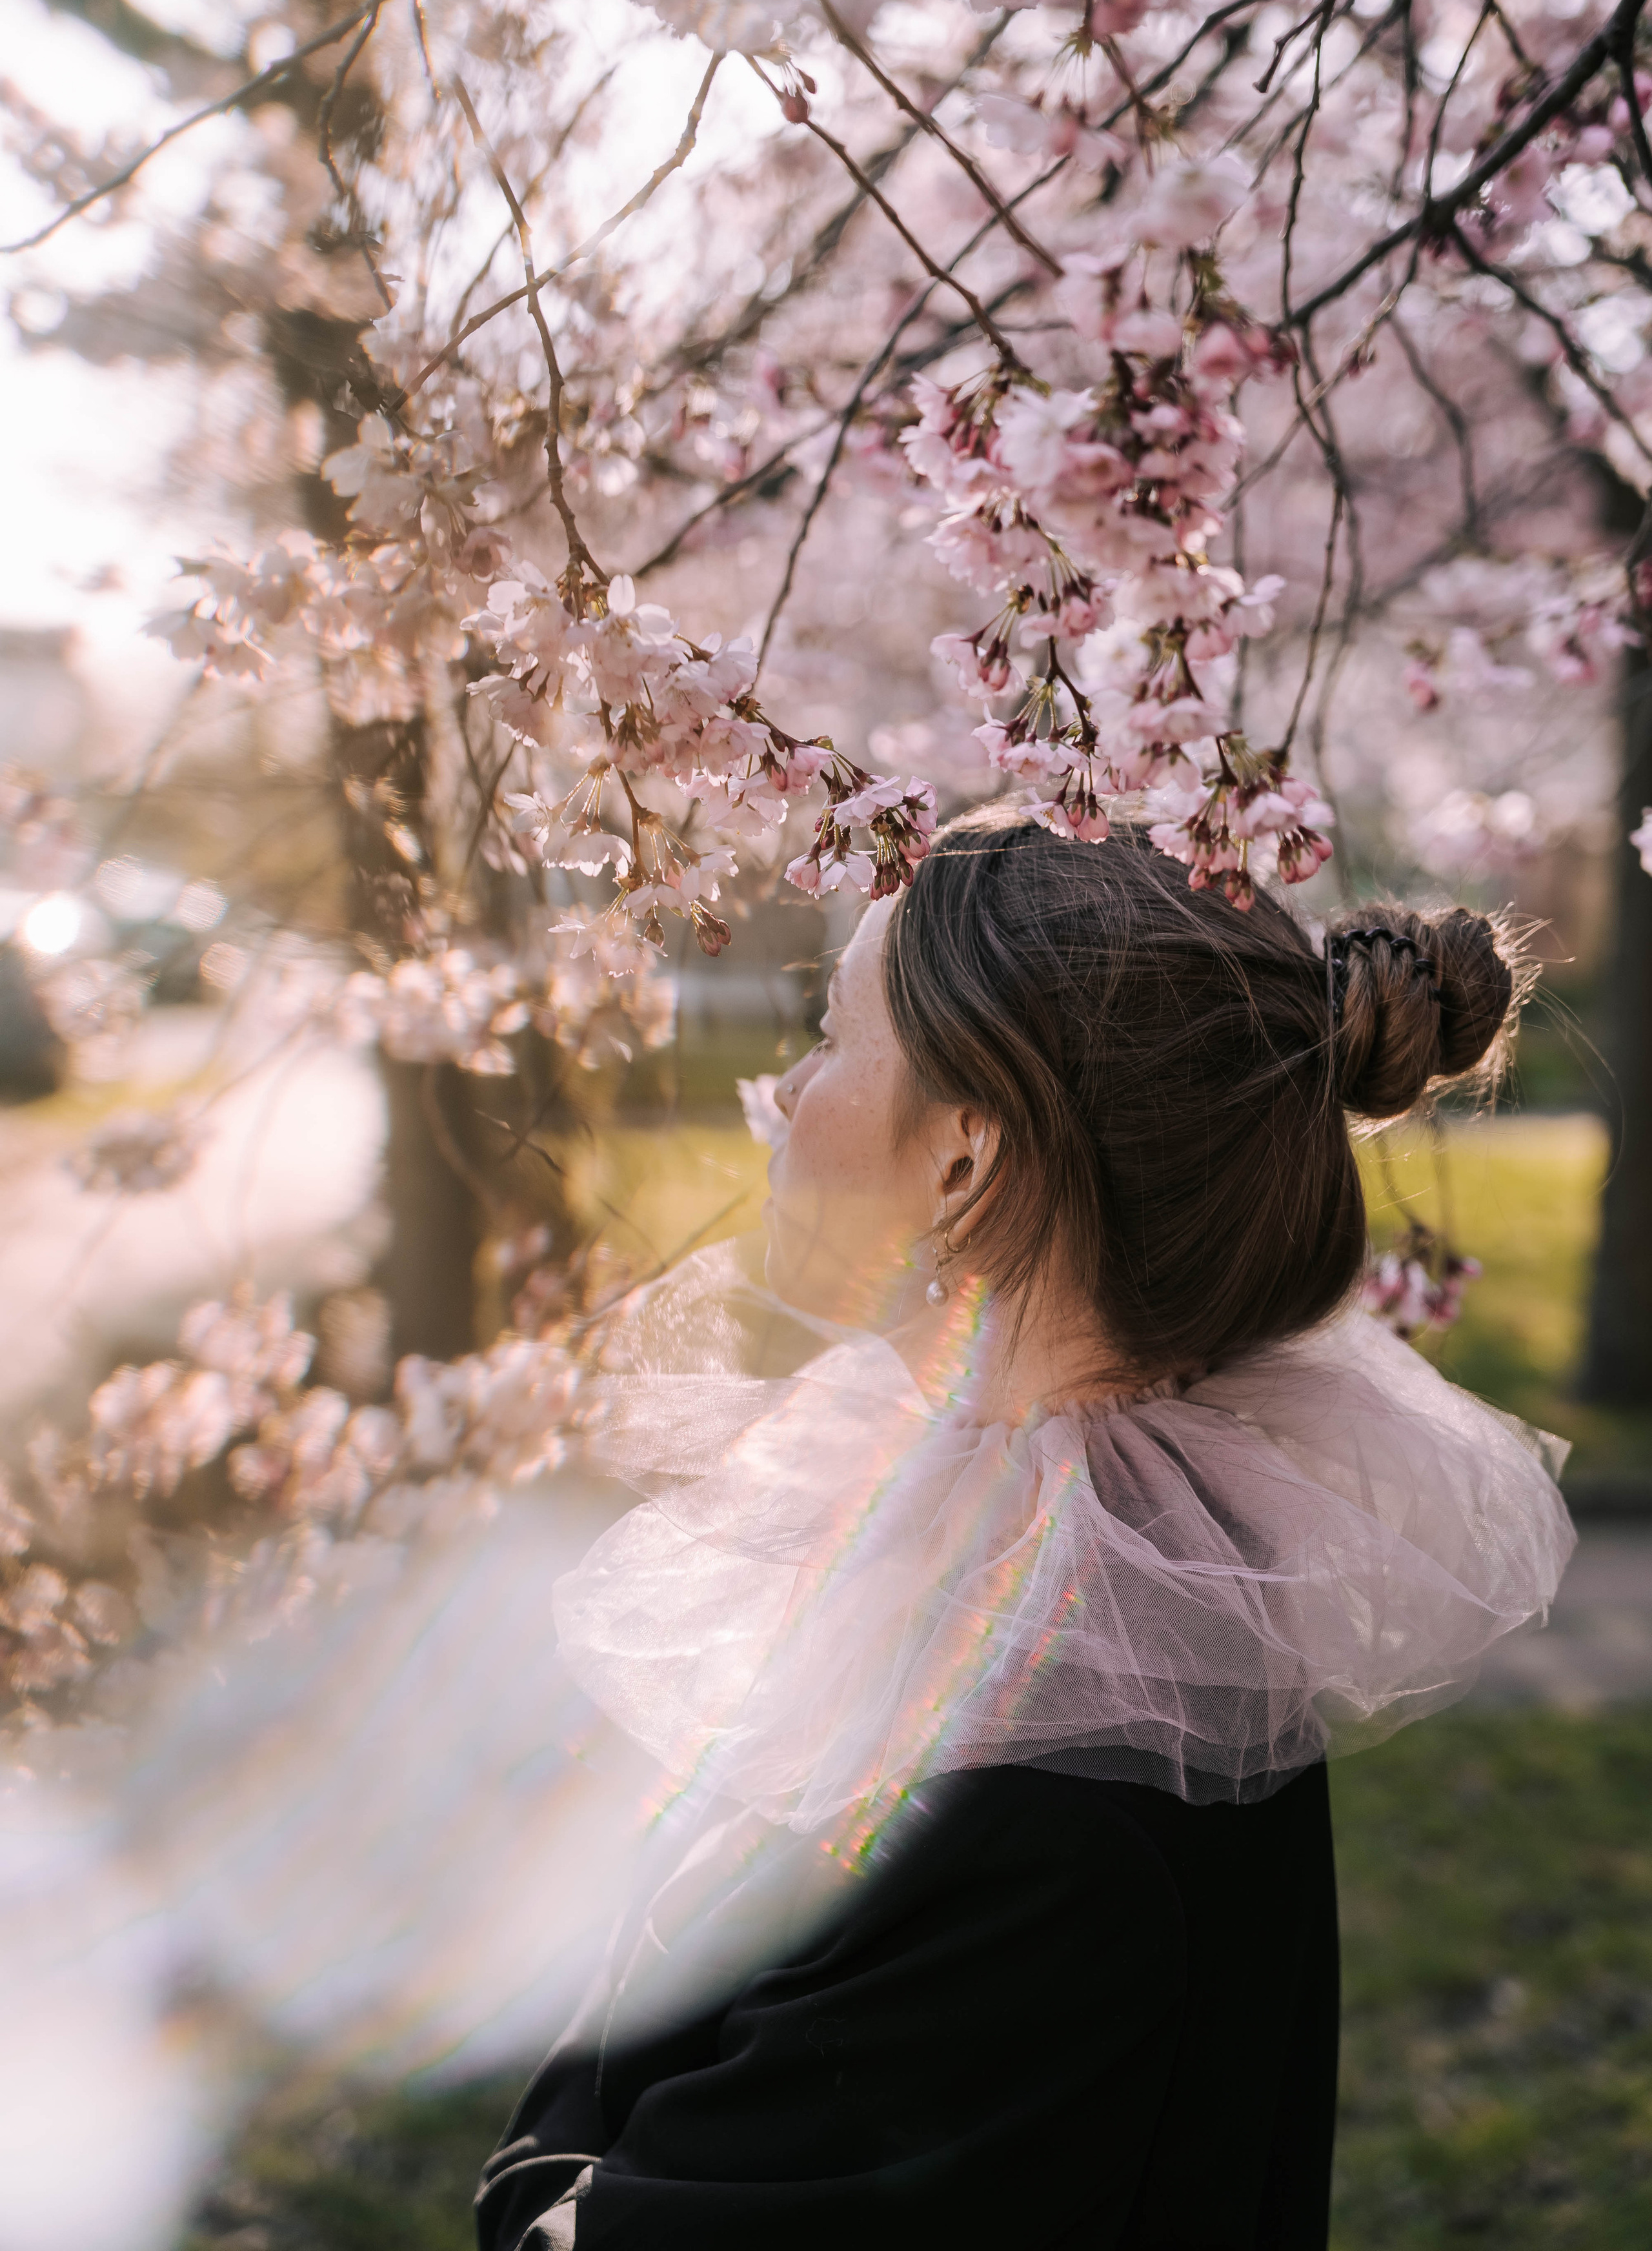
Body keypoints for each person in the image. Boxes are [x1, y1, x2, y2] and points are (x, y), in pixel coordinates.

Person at [475, 810, 1575, 2251]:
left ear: (965, 1158)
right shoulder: (1098, 1606)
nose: (786, 1091)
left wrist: (536, 2171)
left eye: (830, 1032)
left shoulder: (1039, 1816)